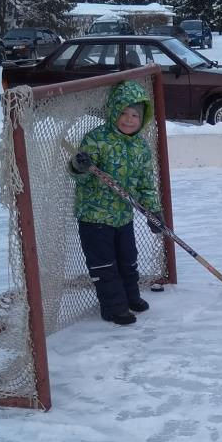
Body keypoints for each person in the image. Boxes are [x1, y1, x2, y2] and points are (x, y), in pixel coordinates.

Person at [68, 80, 163, 326]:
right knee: (105, 264)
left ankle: (130, 297)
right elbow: (80, 177)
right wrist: (80, 166)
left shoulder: (141, 147)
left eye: (135, 115)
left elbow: (145, 183)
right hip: (94, 216)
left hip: (123, 216)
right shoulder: (97, 139)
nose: (129, 119)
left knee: (128, 259)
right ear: (113, 110)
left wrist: (153, 210)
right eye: (123, 112)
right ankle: (113, 307)